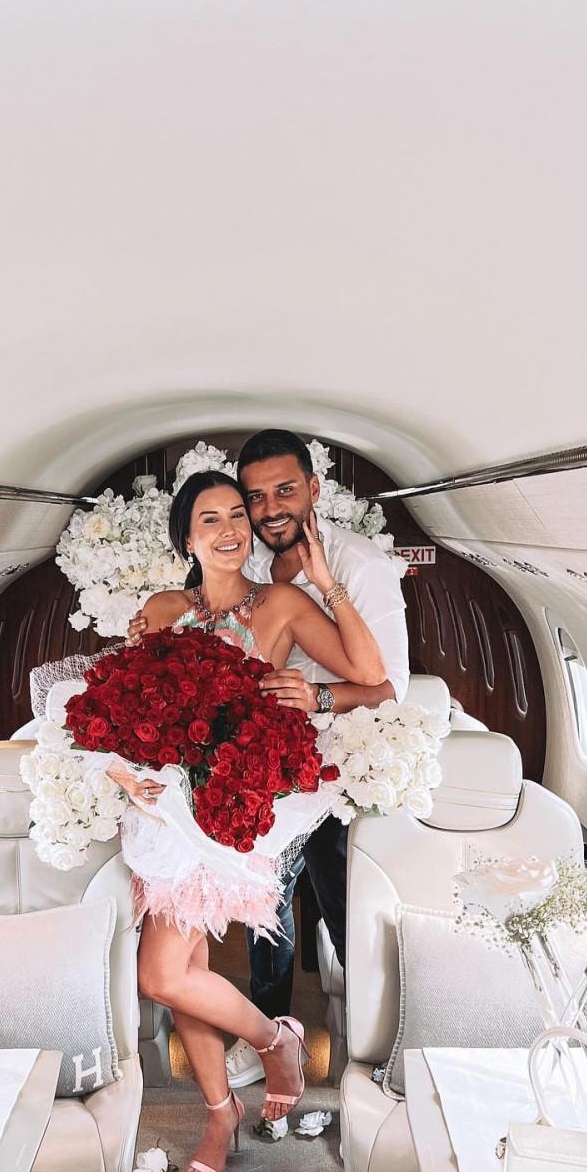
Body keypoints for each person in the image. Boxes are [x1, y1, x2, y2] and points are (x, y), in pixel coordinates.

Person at [109, 469, 385, 1172]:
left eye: (238, 514)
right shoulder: (161, 609)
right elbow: (120, 709)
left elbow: (374, 678)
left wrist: (327, 588)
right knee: (185, 975)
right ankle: (221, 1111)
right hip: (163, 811)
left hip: (236, 802)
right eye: (211, 519)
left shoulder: (283, 604)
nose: (231, 528)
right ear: (187, 539)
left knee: (160, 974)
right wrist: (123, 775)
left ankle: (273, 1041)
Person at [223, 430, 409, 1091]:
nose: (271, 508)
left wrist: (319, 697)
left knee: (340, 905)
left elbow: (390, 688)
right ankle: (271, 1038)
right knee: (264, 909)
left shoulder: (361, 565)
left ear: (314, 488)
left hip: (337, 769)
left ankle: (376, 1043)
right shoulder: (246, 562)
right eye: (256, 497)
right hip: (267, 768)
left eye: (284, 491)